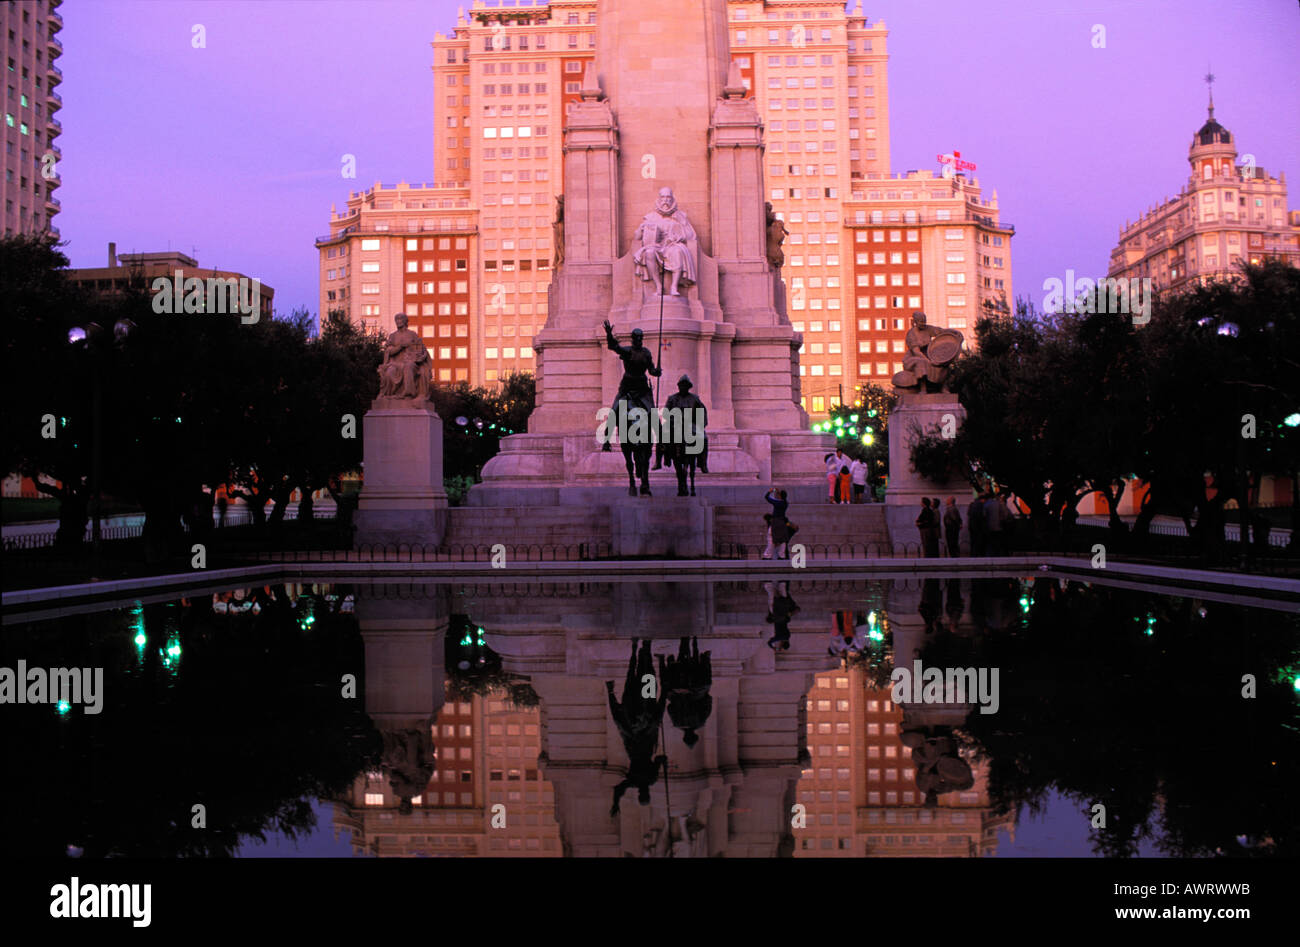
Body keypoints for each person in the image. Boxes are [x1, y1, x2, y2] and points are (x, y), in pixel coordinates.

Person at [606, 638, 668, 816]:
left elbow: (658, 760)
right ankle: (638, 651)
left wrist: (663, 761)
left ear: (644, 794)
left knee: (645, 683)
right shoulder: (636, 781)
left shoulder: (650, 779)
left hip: (643, 735)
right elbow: (619, 789)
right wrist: (615, 803)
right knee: (631, 685)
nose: (644, 792)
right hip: (635, 738)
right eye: (645, 795)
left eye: (643, 795)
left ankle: (643, 651)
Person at [764, 487, 791, 560]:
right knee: (782, 539)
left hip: (775, 522)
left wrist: (770, 491)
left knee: (771, 537)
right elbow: (782, 499)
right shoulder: (785, 503)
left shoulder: (777, 503)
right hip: (782, 523)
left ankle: (768, 555)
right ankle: (782, 555)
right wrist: (778, 493)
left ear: (780, 496)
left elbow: (766, 497)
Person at [967, 492, 987, 557]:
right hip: (978, 528)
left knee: (973, 543)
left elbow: (969, 514)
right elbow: (982, 516)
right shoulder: (980, 505)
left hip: (972, 527)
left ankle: (973, 555)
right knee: (979, 543)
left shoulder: (972, 504)